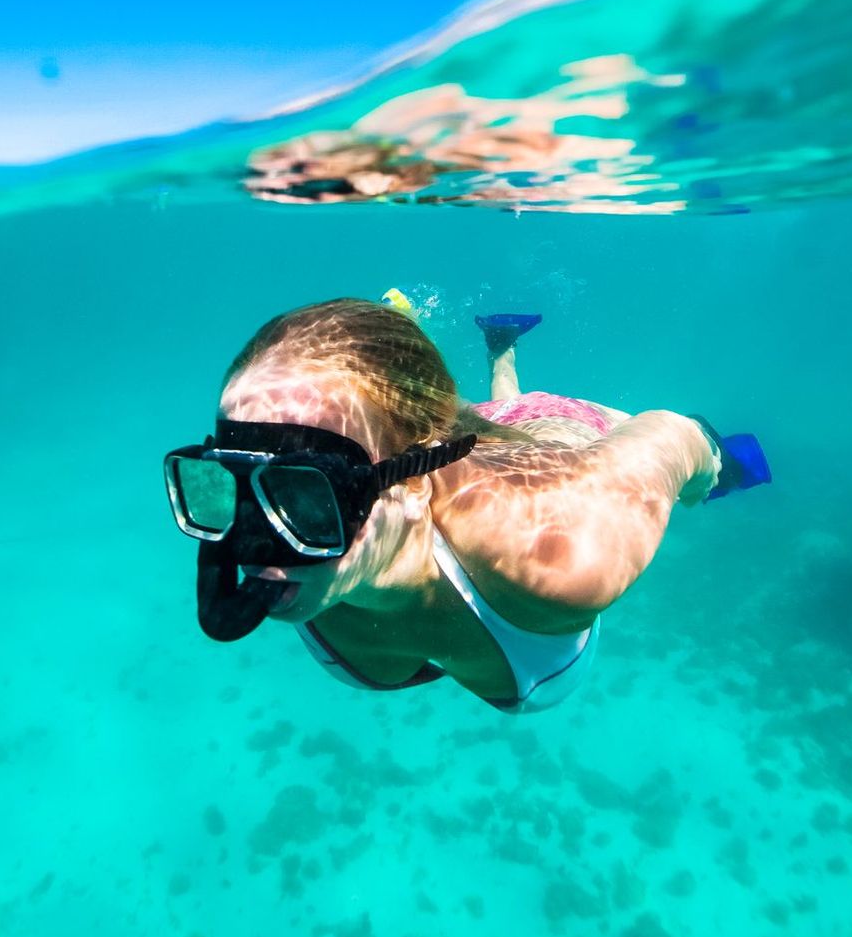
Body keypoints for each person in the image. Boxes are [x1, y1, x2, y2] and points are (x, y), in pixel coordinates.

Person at [163, 298, 770, 714]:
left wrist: (709, 471)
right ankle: (498, 345)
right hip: (452, 445)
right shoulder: (314, 561)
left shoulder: (560, 555)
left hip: (566, 441)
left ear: (411, 484)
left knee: (525, 414)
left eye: (305, 494)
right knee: (491, 413)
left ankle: (503, 354)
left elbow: (668, 433)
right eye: (228, 486)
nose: (250, 542)